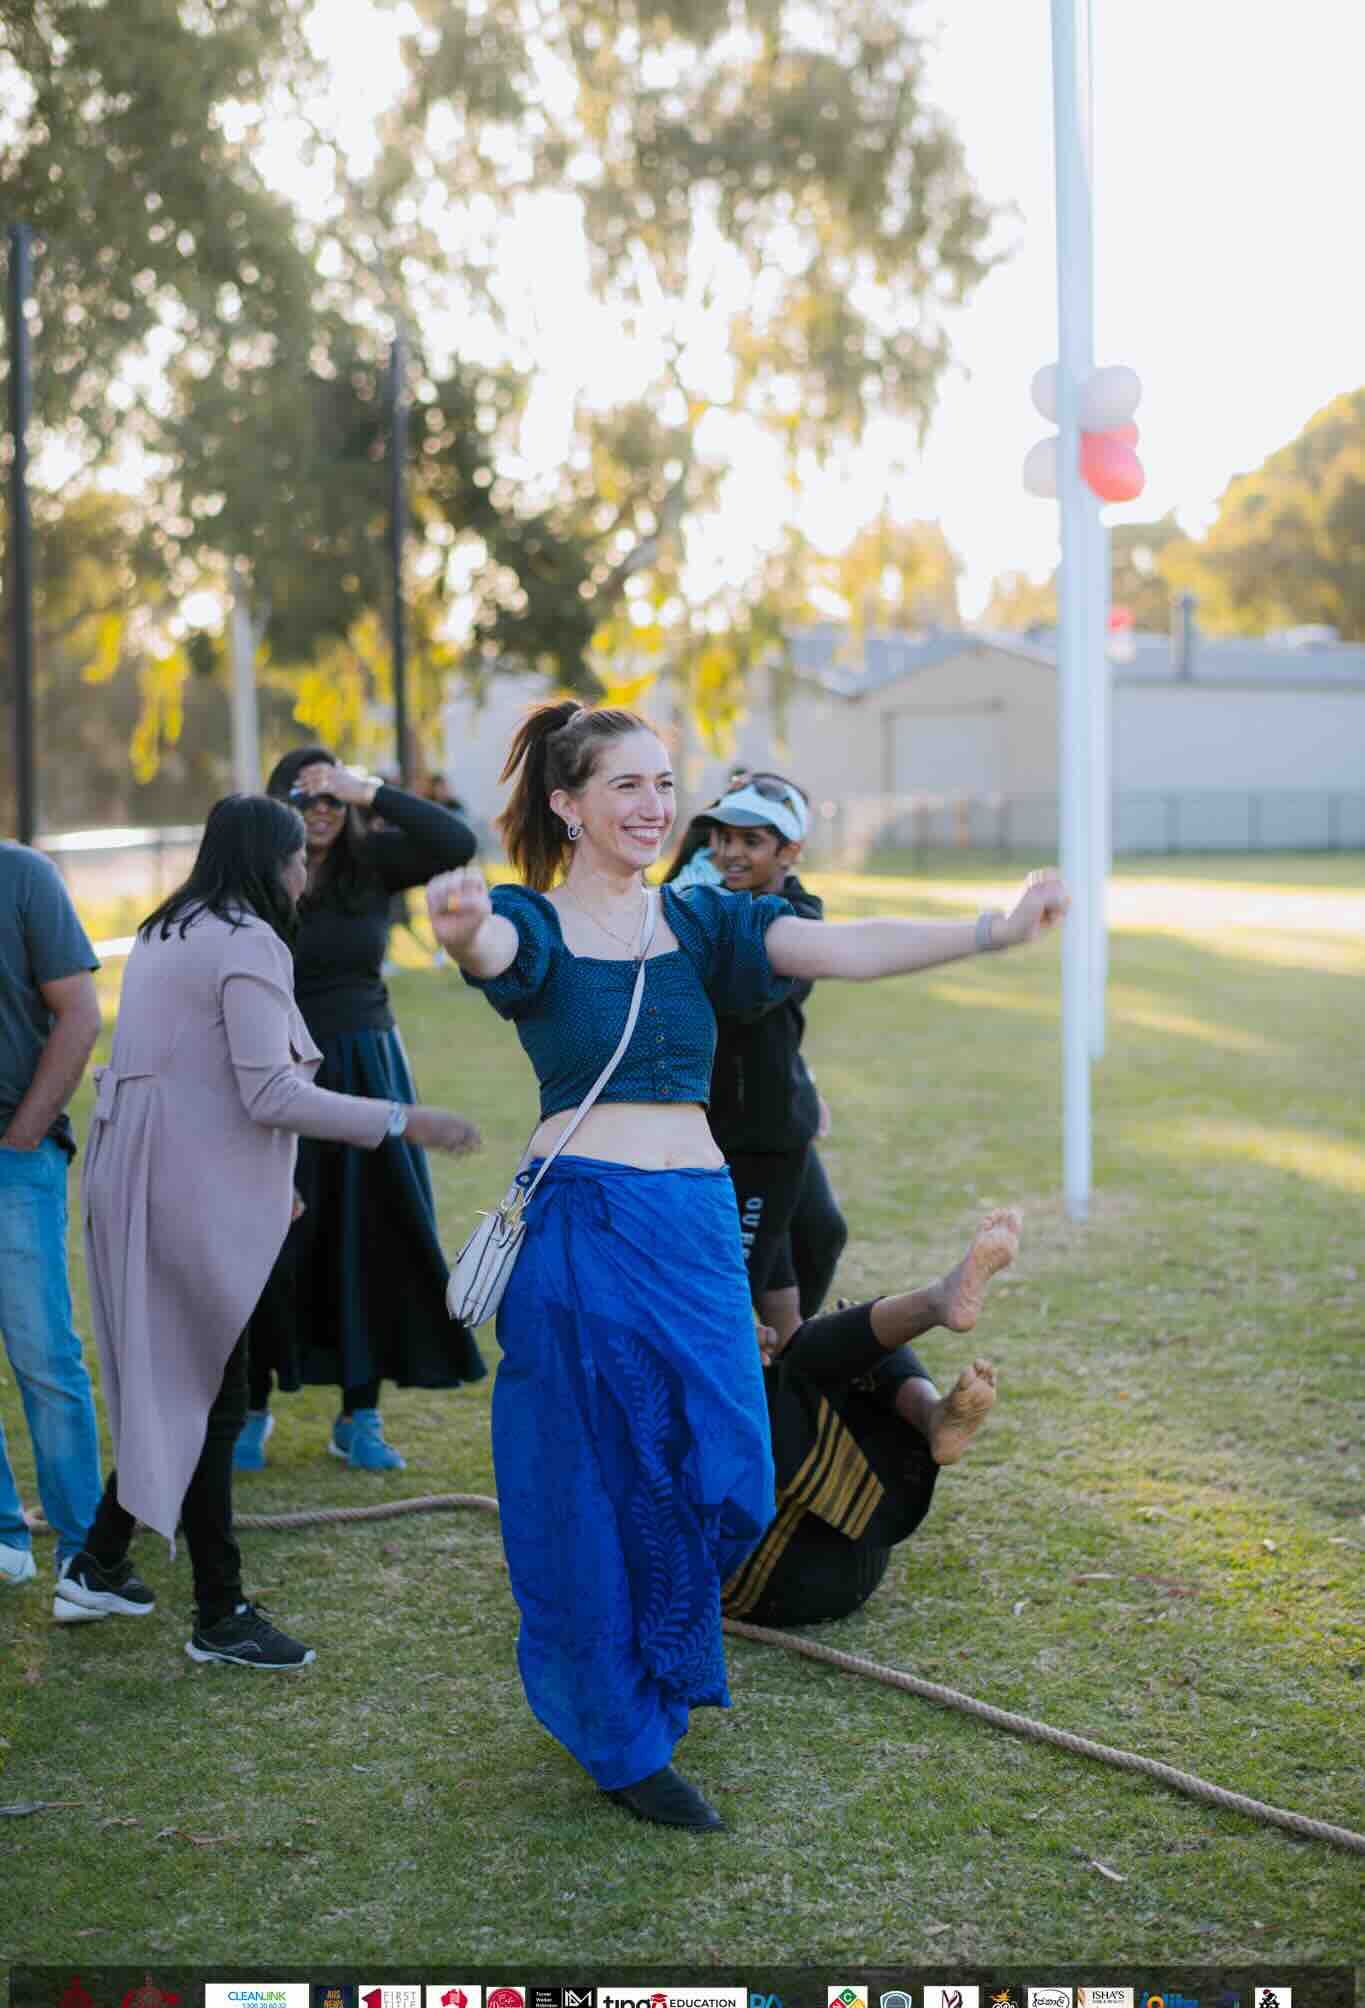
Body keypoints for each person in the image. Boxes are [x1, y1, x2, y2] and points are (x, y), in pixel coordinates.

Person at [426, 700, 1067, 1832]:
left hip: (693, 1226)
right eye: (626, 785)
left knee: (728, 1461)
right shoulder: (534, 920)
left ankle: (652, 1651)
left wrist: (994, 928)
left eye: (664, 783)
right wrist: (463, 926)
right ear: (569, 804)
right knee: (587, 1481)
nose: (655, 805)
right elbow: (496, 952)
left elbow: (845, 944)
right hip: (585, 1235)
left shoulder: (701, 918)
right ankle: (621, 1735)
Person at [59, 795, 479, 1668]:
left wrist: (274, 1181)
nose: (303, 871)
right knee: (211, 1391)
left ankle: (99, 1564)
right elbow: (270, 1094)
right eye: (295, 857)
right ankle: (220, 1612)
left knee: (183, 1376)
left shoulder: (166, 929)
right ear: (266, 859)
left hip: (135, 1174)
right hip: (182, 1186)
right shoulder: (247, 939)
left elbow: (191, 1073)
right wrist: (407, 1118)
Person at [234, 749, 482, 1476]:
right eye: (306, 797)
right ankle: (252, 1407)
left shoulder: (372, 864)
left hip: (367, 1065)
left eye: (332, 799)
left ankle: (359, 1414)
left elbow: (454, 844)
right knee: (271, 1238)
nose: (321, 811)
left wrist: (366, 789)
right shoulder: (258, 874)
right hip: (277, 1070)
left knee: (369, 1234)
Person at [723, 1209, 1020, 1628]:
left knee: (838, 1340)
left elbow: (787, 1320)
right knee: (805, 1361)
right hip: (769, 1574)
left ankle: (935, 1413)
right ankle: (937, 1313)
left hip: (828, 1551)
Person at [664, 771, 847, 1347]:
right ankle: (786, 1371)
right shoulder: (698, 897)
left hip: (770, 1121)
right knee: (760, 1278)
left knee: (806, 1245)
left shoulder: (798, 916)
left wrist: (708, 911)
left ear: (790, 852)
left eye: (751, 841)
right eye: (720, 837)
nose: (729, 853)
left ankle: (790, 1373)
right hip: (726, 1123)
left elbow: (747, 1000)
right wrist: (697, 857)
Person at [0, 844, 104, 1591]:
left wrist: (24, 1135)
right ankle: (6, 1539)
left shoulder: (23, 876)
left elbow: (79, 1011)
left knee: (45, 1358)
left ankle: (84, 1551)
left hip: (15, 1153)